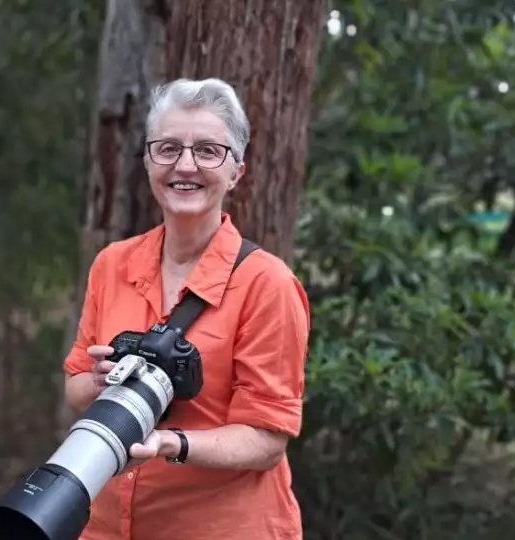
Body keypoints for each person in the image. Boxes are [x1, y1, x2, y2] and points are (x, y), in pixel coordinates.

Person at [62, 77, 311, 540]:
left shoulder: (267, 284)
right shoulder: (112, 264)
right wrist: (100, 379)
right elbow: (76, 387)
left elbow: (266, 440)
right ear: (149, 161)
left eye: (208, 151)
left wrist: (169, 444)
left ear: (236, 171)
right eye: (168, 148)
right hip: (104, 526)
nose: (186, 165)